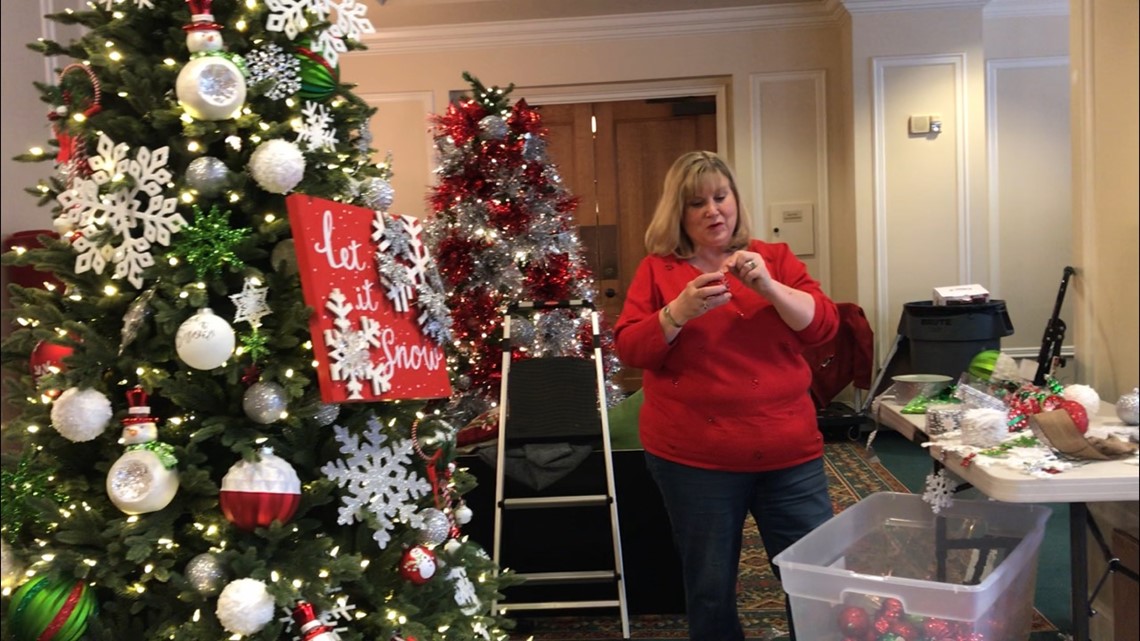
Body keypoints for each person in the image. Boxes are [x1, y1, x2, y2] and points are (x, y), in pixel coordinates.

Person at [613, 150, 839, 641]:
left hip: (788, 452)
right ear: (680, 213)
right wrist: (677, 312)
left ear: (735, 200)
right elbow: (631, 347)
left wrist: (770, 287)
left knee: (815, 577)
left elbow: (823, 325)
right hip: (695, 461)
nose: (714, 211)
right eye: (698, 203)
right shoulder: (659, 271)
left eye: (721, 197)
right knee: (710, 586)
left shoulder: (773, 257)